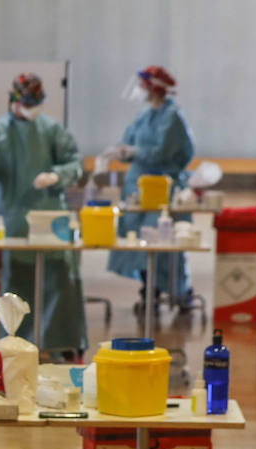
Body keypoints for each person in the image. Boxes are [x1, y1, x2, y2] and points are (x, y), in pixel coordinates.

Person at [0, 73, 86, 355]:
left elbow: (74, 163)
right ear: (15, 101)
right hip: (16, 223)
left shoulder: (51, 129)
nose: (32, 107)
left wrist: (56, 175)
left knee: (59, 283)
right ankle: (16, 348)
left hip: (53, 221)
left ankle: (60, 345)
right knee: (17, 288)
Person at [106, 66, 196, 304]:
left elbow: (161, 152)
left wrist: (134, 151)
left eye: (144, 85)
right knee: (137, 239)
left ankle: (171, 290)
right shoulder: (144, 116)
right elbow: (129, 142)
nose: (140, 90)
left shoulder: (172, 117)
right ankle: (148, 288)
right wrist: (120, 151)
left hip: (161, 189)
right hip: (137, 189)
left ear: (154, 87)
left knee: (161, 239)